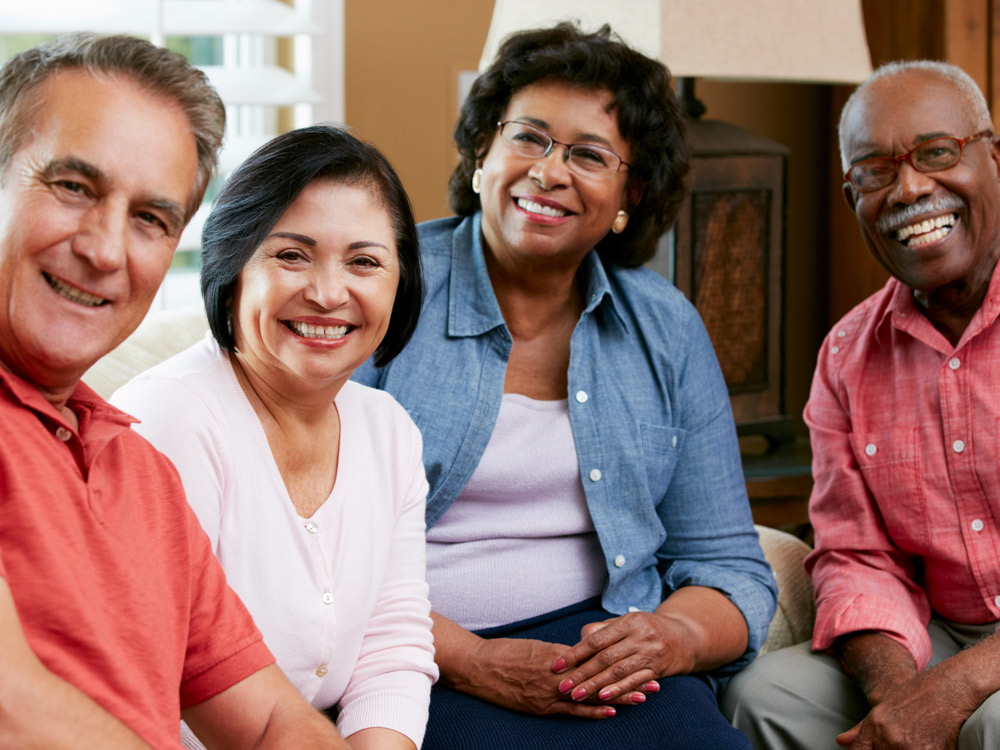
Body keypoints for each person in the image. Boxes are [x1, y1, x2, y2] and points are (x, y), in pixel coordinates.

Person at [353, 22, 776, 750]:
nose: (549, 172)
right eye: (529, 138)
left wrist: (669, 637)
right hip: (415, 651)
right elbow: (307, 548)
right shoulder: (383, 284)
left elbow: (730, 564)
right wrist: (470, 659)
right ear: (483, 152)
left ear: (628, 195)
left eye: (588, 155)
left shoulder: (665, 329)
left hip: (605, 655)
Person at [0, 33, 350, 748]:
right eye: (73, 187)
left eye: (150, 220)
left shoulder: (142, 474)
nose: (104, 250)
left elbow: (273, 722)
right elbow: (12, 708)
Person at [111, 124, 437, 750]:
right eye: (291, 255)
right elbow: (154, 684)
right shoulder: (171, 419)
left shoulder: (388, 429)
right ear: (232, 265)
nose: (327, 293)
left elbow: (391, 646)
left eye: (365, 261)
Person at [722, 60, 1000, 750]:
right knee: (767, 699)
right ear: (853, 200)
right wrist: (901, 698)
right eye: (874, 173)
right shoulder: (847, 356)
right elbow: (855, 556)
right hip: (938, 629)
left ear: (994, 158)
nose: (909, 188)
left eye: (937, 153)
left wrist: (960, 687)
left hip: (980, 669)